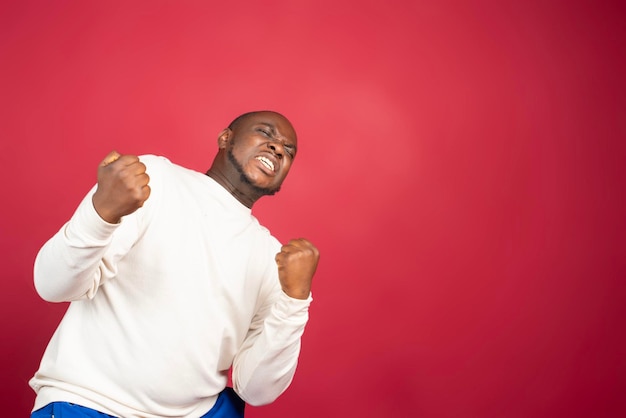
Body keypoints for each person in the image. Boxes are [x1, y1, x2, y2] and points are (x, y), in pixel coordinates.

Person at [29, 110, 320, 418]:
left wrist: (295, 302)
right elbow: (52, 284)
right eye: (266, 133)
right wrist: (101, 213)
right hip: (90, 403)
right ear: (225, 138)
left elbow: (256, 390)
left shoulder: (273, 258)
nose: (277, 149)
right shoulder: (155, 180)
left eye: (288, 151)